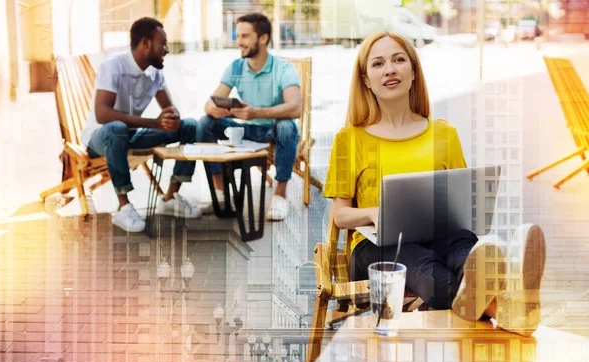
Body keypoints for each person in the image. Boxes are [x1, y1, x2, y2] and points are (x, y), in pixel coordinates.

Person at [323, 31, 546, 335]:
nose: (390, 69)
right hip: (377, 245)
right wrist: (375, 213)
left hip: (442, 234)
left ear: (413, 72)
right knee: (425, 266)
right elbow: (340, 215)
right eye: (378, 64)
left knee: (463, 250)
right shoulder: (350, 139)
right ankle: (507, 303)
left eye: (399, 60)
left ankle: (503, 301)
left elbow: (464, 198)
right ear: (366, 80)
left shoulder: (443, 134)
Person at [81, 17, 202, 233]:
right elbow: (102, 113)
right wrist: (154, 123)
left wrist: (171, 119)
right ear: (146, 43)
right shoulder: (113, 66)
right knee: (116, 128)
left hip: (131, 134)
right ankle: (124, 206)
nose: (166, 49)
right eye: (162, 43)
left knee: (190, 126)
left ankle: (170, 197)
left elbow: (169, 109)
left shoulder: (155, 72)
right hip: (101, 137)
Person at [198, 13, 302, 221]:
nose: (239, 42)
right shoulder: (236, 67)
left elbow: (295, 108)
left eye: (245, 36)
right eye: (238, 36)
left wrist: (256, 112)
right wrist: (215, 110)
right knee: (205, 123)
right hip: (247, 130)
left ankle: (280, 196)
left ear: (263, 38)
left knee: (286, 126)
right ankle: (220, 194)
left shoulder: (283, 68)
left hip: (273, 130)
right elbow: (209, 103)